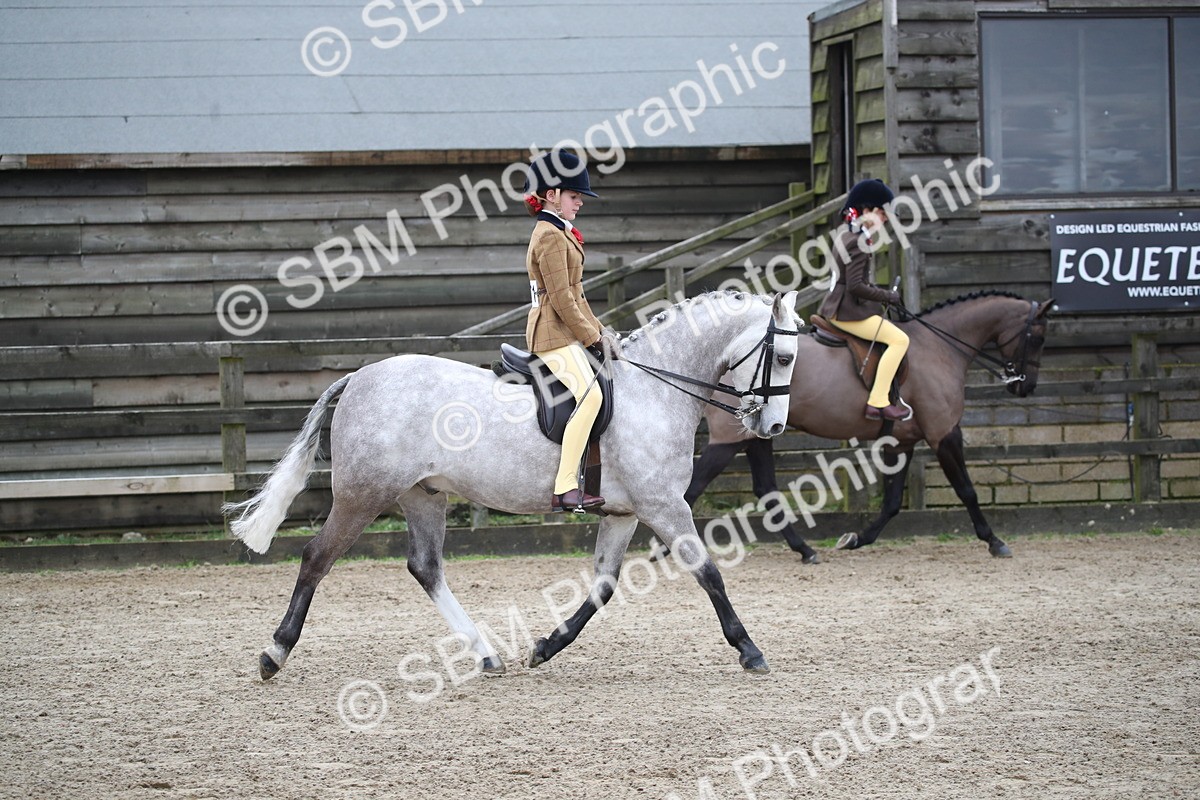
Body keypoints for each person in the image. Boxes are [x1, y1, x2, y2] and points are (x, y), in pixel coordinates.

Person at [523, 150, 618, 511]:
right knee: (590, 396)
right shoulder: (548, 235)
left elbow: (579, 295)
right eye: (574, 195)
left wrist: (601, 330)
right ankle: (565, 486)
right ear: (551, 195)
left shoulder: (560, 231)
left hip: (564, 329)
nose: (580, 202)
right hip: (551, 334)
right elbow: (562, 300)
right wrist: (591, 338)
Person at [819, 178, 911, 421]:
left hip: (836, 306)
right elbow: (856, 286)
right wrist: (888, 296)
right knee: (899, 340)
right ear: (866, 210)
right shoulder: (860, 242)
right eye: (882, 213)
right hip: (847, 311)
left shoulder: (846, 234)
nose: (886, 219)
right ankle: (878, 401)